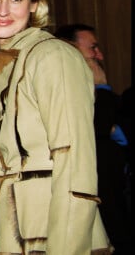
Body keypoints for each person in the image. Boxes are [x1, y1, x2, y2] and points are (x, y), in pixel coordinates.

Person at [0, 0, 112, 254]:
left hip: (49, 238)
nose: (3, 10)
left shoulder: (54, 57)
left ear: (35, 3)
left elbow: (76, 168)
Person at [55, 23, 131, 253]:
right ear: (71, 52)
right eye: (93, 48)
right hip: (99, 216)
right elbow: (97, 127)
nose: (100, 55)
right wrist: (101, 87)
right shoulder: (65, 99)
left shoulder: (118, 100)